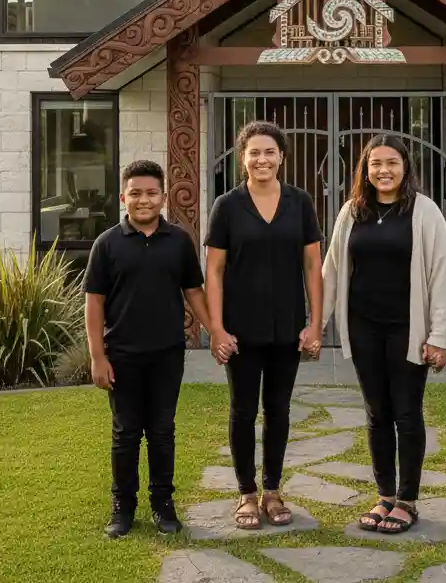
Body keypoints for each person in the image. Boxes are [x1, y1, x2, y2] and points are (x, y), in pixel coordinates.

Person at [321, 134, 446, 535]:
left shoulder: (424, 211)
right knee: (377, 414)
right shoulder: (352, 211)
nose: (383, 170)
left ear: (405, 167)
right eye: (375, 163)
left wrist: (439, 336)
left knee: (407, 412)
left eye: (391, 162)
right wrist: (315, 324)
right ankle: (385, 497)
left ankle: (408, 500)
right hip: (364, 327)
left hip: (407, 329)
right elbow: (331, 271)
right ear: (365, 169)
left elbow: (442, 274)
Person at [204, 120, 323, 530]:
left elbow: (312, 265)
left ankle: (272, 491)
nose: (262, 159)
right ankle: (247, 494)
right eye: (254, 152)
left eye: (269, 152)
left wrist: (315, 324)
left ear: (281, 157)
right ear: (243, 159)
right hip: (240, 330)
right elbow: (214, 271)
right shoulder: (227, 206)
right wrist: (216, 329)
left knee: (279, 409)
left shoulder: (300, 202)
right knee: (242, 410)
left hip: (287, 328)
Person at [84, 159, 211, 539]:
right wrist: (97, 357)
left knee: (161, 431)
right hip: (121, 356)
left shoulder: (179, 241)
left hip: (167, 354)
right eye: (135, 193)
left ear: (163, 197)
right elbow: (94, 303)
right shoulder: (106, 245)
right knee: (125, 433)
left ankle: (163, 505)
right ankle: (123, 507)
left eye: (151, 193)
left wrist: (215, 332)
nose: (144, 200)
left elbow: (194, 293)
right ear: (123, 197)